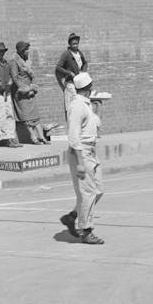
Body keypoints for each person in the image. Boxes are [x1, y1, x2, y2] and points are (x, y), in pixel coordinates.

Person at [59, 72, 104, 245]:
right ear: (89, 88)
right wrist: (79, 163)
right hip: (81, 153)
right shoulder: (77, 106)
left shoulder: (86, 105)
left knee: (98, 190)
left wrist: (99, 109)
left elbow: (94, 127)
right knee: (88, 192)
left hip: (91, 151)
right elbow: (74, 136)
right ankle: (86, 230)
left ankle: (72, 217)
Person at [10, 40, 46, 145]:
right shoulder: (14, 62)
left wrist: (32, 88)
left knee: (35, 115)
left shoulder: (26, 61)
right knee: (26, 117)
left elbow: (30, 76)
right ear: (21, 51)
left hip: (30, 91)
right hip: (21, 93)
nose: (28, 51)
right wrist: (26, 89)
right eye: (26, 50)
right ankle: (33, 137)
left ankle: (42, 137)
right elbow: (15, 78)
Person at [55, 33, 89, 117]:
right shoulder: (66, 54)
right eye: (73, 44)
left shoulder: (79, 53)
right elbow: (58, 67)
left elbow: (85, 63)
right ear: (70, 44)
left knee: (80, 104)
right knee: (71, 105)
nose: (75, 45)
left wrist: (83, 72)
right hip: (70, 83)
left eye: (76, 43)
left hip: (79, 83)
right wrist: (69, 73)